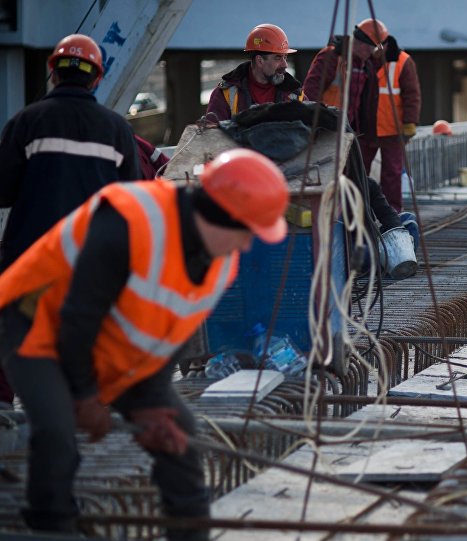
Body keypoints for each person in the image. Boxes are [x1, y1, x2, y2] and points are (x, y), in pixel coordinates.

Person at [0, 149, 290, 540]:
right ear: (224, 218)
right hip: (36, 324)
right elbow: (79, 315)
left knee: (180, 437)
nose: (248, 244)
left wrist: (153, 404)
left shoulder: (221, 262)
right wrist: (84, 397)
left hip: (104, 340)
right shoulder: (130, 221)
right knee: (56, 430)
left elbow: (167, 338)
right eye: (249, 232)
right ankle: (52, 527)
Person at [0, 33, 141, 408]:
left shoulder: (25, 122)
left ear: (54, 74)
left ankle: (3, 407)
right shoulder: (116, 129)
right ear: (96, 78)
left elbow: (3, 191)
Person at [353, 19, 422, 213]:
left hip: (393, 130)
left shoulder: (403, 62)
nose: (371, 50)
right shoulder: (362, 60)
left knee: (391, 175)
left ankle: (393, 214)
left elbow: (412, 95)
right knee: (358, 172)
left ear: (383, 44)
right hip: (365, 129)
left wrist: (410, 123)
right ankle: (357, 211)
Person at [205, 24, 303, 121]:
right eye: (278, 58)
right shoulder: (225, 94)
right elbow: (212, 134)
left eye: (285, 57)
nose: (285, 65)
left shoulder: (295, 94)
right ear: (260, 60)